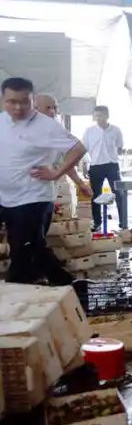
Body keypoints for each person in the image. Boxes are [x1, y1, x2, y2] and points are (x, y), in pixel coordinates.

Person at [0, 78, 85, 285]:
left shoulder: (46, 126)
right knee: (29, 248)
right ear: (3, 100)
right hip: (6, 197)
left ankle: (60, 285)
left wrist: (56, 173)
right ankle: (62, 284)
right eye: (12, 102)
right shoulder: (2, 121)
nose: (18, 107)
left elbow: (78, 148)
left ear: (32, 100)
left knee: (25, 247)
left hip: (34, 197)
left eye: (24, 102)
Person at [33, 93, 93, 200]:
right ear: (35, 109)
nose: (52, 111)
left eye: (55, 108)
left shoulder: (54, 131)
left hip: (41, 194)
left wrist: (80, 183)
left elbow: (68, 158)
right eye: (48, 108)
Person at [83, 104, 127, 232]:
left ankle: (123, 222)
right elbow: (84, 149)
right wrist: (84, 165)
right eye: (96, 116)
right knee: (96, 195)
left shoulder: (116, 130)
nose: (98, 118)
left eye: (101, 116)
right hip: (95, 166)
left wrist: (113, 156)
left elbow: (120, 146)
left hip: (112, 165)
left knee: (119, 193)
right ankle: (97, 223)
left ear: (107, 116)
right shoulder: (89, 131)